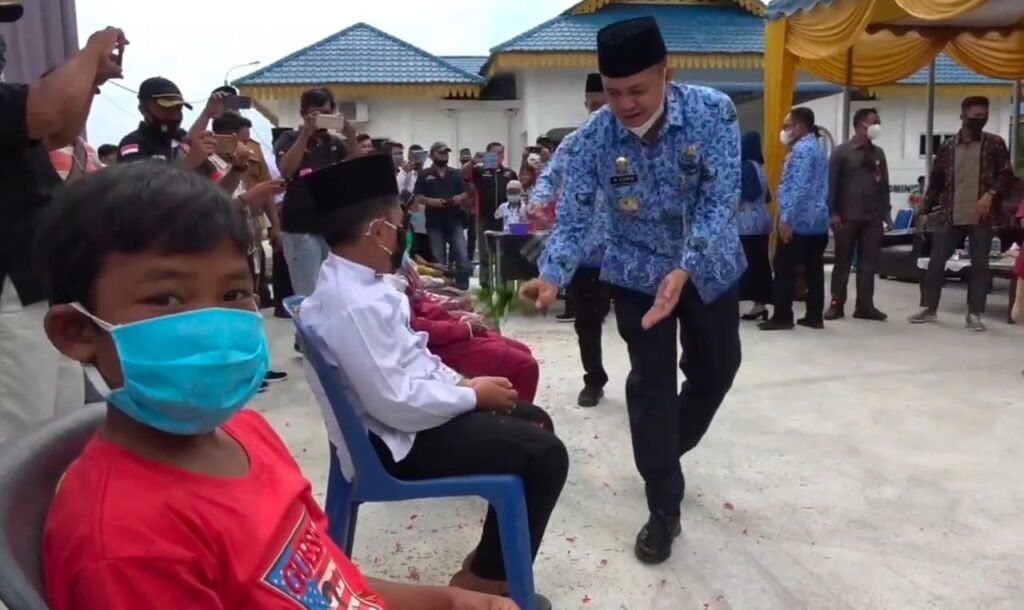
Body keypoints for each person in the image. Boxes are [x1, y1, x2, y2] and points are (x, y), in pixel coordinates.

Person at [38, 162, 518, 610]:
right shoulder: (126, 546)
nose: (216, 323)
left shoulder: (248, 433)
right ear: (78, 333)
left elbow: (328, 583)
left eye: (233, 294)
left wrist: (448, 601)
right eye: (166, 298)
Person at [520, 17, 743, 564]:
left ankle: (665, 450)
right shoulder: (595, 138)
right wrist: (552, 273)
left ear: (667, 74)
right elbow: (574, 216)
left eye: (638, 90)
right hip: (638, 275)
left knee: (718, 368)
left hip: (708, 266)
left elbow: (721, 197)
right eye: (614, 92)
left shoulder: (713, 112)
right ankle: (663, 505)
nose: (625, 104)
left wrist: (686, 267)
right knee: (651, 387)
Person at [300, 155, 566, 609]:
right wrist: (468, 393)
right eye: (401, 222)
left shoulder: (364, 284)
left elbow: (411, 360)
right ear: (379, 231)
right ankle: (484, 581)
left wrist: (462, 382)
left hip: (409, 419)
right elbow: (395, 403)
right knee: (545, 455)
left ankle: (488, 566)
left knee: (533, 419)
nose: (405, 230)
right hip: (395, 442)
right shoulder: (353, 304)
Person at [0, 20, 124, 442]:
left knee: (59, 426)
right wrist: (90, 51)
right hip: (8, 295)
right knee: (18, 434)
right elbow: (47, 113)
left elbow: (58, 131)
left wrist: (92, 78)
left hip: (35, 283)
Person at [531, 72, 612, 406]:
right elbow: (551, 173)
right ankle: (594, 379)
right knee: (587, 321)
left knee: (638, 324)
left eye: (603, 105)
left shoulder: (637, 142)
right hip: (585, 252)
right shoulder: (576, 142)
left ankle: (646, 384)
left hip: (626, 251)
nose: (597, 112)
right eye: (592, 105)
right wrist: (539, 198)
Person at [909, 96, 1014, 332]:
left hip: (981, 217)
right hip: (950, 214)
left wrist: (991, 194)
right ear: (963, 116)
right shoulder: (947, 147)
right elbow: (935, 182)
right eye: (975, 116)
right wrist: (924, 211)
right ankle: (929, 307)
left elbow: (1007, 175)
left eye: (984, 116)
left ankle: (974, 313)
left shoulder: (994, 144)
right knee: (936, 263)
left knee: (979, 267)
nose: (980, 120)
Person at [275, 87, 361, 301]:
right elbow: (286, 169)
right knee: (308, 297)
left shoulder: (335, 143)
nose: (320, 118)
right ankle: (305, 335)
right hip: (300, 227)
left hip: (333, 228)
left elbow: (359, 167)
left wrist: (351, 137)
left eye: (325, 112)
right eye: (314, 113)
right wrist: (305, 133)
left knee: (334, 294)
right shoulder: (289, 138)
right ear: (303, 114)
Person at [759, 108, 830, 332]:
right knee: (814, 270)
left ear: (800, 127)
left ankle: (782, 315)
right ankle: (814, 315)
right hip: (817, 221)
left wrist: (787, 219)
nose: (784, 131)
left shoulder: (801, 151)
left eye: (787, 126)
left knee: (784, 268)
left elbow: (798, 188)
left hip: (798, 221)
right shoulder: (818, 149)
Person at [824, 107, 891, 322]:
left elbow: (884, 186)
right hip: (847, 216)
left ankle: (865, 305)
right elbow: (831, 184)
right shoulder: (841, 152)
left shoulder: (878, 153)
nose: (877, 127)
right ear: (860, 125)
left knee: (868, 264)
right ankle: (836, 303)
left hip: (872, 218)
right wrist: (832, 213)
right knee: (842, 262)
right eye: (873, 122)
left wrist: (886, 214)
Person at [117, 77, 214, 171]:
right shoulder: (132, 143)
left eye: (179, 109)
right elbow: (142, 185)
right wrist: (189, 163)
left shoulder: (182, 137)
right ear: (143, 110)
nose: (175, 116)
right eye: (167, 109)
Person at [415, 142, 473, 289]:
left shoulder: (456, 173)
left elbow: (466, 193)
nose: (444, 156)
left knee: (462, 254)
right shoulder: (424, 175)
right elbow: (418, 196)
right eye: (441, 153)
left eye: (446, 153)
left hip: (455, 220)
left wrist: (459, 198)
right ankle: (442, 288)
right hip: (434, 222)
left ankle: (462, 286)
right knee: (438, 258)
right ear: (432, 155)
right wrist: (432, 201)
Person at [469, 142, 518, 290]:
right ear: (487, 154)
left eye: (500, 153)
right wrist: (474, 161)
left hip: (506, 220)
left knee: (503, 255)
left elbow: (517, 191)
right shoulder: (479, 172)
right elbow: (464, 175)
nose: (497, 156)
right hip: (484, 218)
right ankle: (486, 286)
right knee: (485, 254)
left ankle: (503, 286)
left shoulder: (509, 173)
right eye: (493, 153)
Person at [737, 131, 773, 321]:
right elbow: (767, 196)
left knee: (743, 264)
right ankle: (760, 303)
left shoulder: (745, 168)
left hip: (746, 224)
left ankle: (736, 302)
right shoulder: (760, 167)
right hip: (762, 220)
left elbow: (748, 193)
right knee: (760, 263)